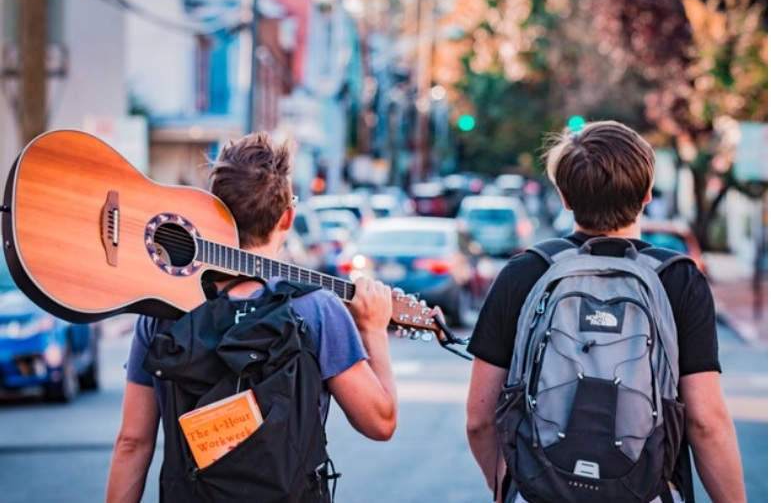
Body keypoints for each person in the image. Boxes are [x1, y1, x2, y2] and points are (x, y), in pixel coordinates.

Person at [106, 132, 399, 502]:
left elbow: (133, 442)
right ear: (287, 218)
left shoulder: (163, 309)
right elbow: (380, 423)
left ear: (211, 209)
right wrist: (374, 330)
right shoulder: (316, 309)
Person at [465, 120, 745, 503]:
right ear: (647, 194)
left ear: (565, 197)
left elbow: (480, 421)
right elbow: (705, 422)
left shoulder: (525, 272)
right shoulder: (677, 279)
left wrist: (512, 488)